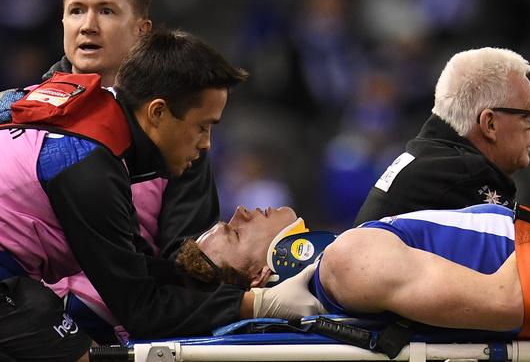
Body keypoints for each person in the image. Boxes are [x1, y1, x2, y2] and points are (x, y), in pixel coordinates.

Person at [0, 29, 323, 362]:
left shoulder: (69, 103)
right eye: (202, 126)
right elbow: (141, 309)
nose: (207, 143)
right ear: (157, 113)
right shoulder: (90, 167)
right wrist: (256, 303)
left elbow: (135, 265)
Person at [1, 0, 223, 345]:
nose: (88, 24)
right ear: (62, 24)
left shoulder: (179, 140)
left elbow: (188, 259)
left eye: (106, 10)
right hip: (35, 310)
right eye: (76, 10)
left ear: (142, 31)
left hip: (130, 323)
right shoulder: (19, 106)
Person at [184, 185, 530, 333]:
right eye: (232, 231)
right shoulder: (347, 261)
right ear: (263, 275)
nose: (241, 211)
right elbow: (511, 300)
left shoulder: (349, 254)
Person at [354, 47, 530, 225]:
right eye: (527, 116)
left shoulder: (434, 161)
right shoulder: (465, 177)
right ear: (490, 124)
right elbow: (524, 250)